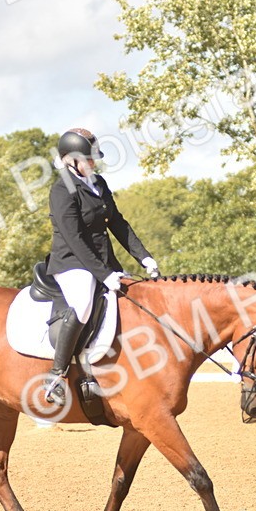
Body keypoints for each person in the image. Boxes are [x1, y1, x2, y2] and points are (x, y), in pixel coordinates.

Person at [43, 128, 160, 406]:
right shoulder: (61, 189)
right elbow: (75, 238)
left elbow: (118, 223)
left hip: (103, 262)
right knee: (83, 303)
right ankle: (56, 376)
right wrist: (105, 275)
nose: (94, 163)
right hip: (72, 263)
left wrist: (144, 257)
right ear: (71, 159)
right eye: (89, 159)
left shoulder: (99, 183)